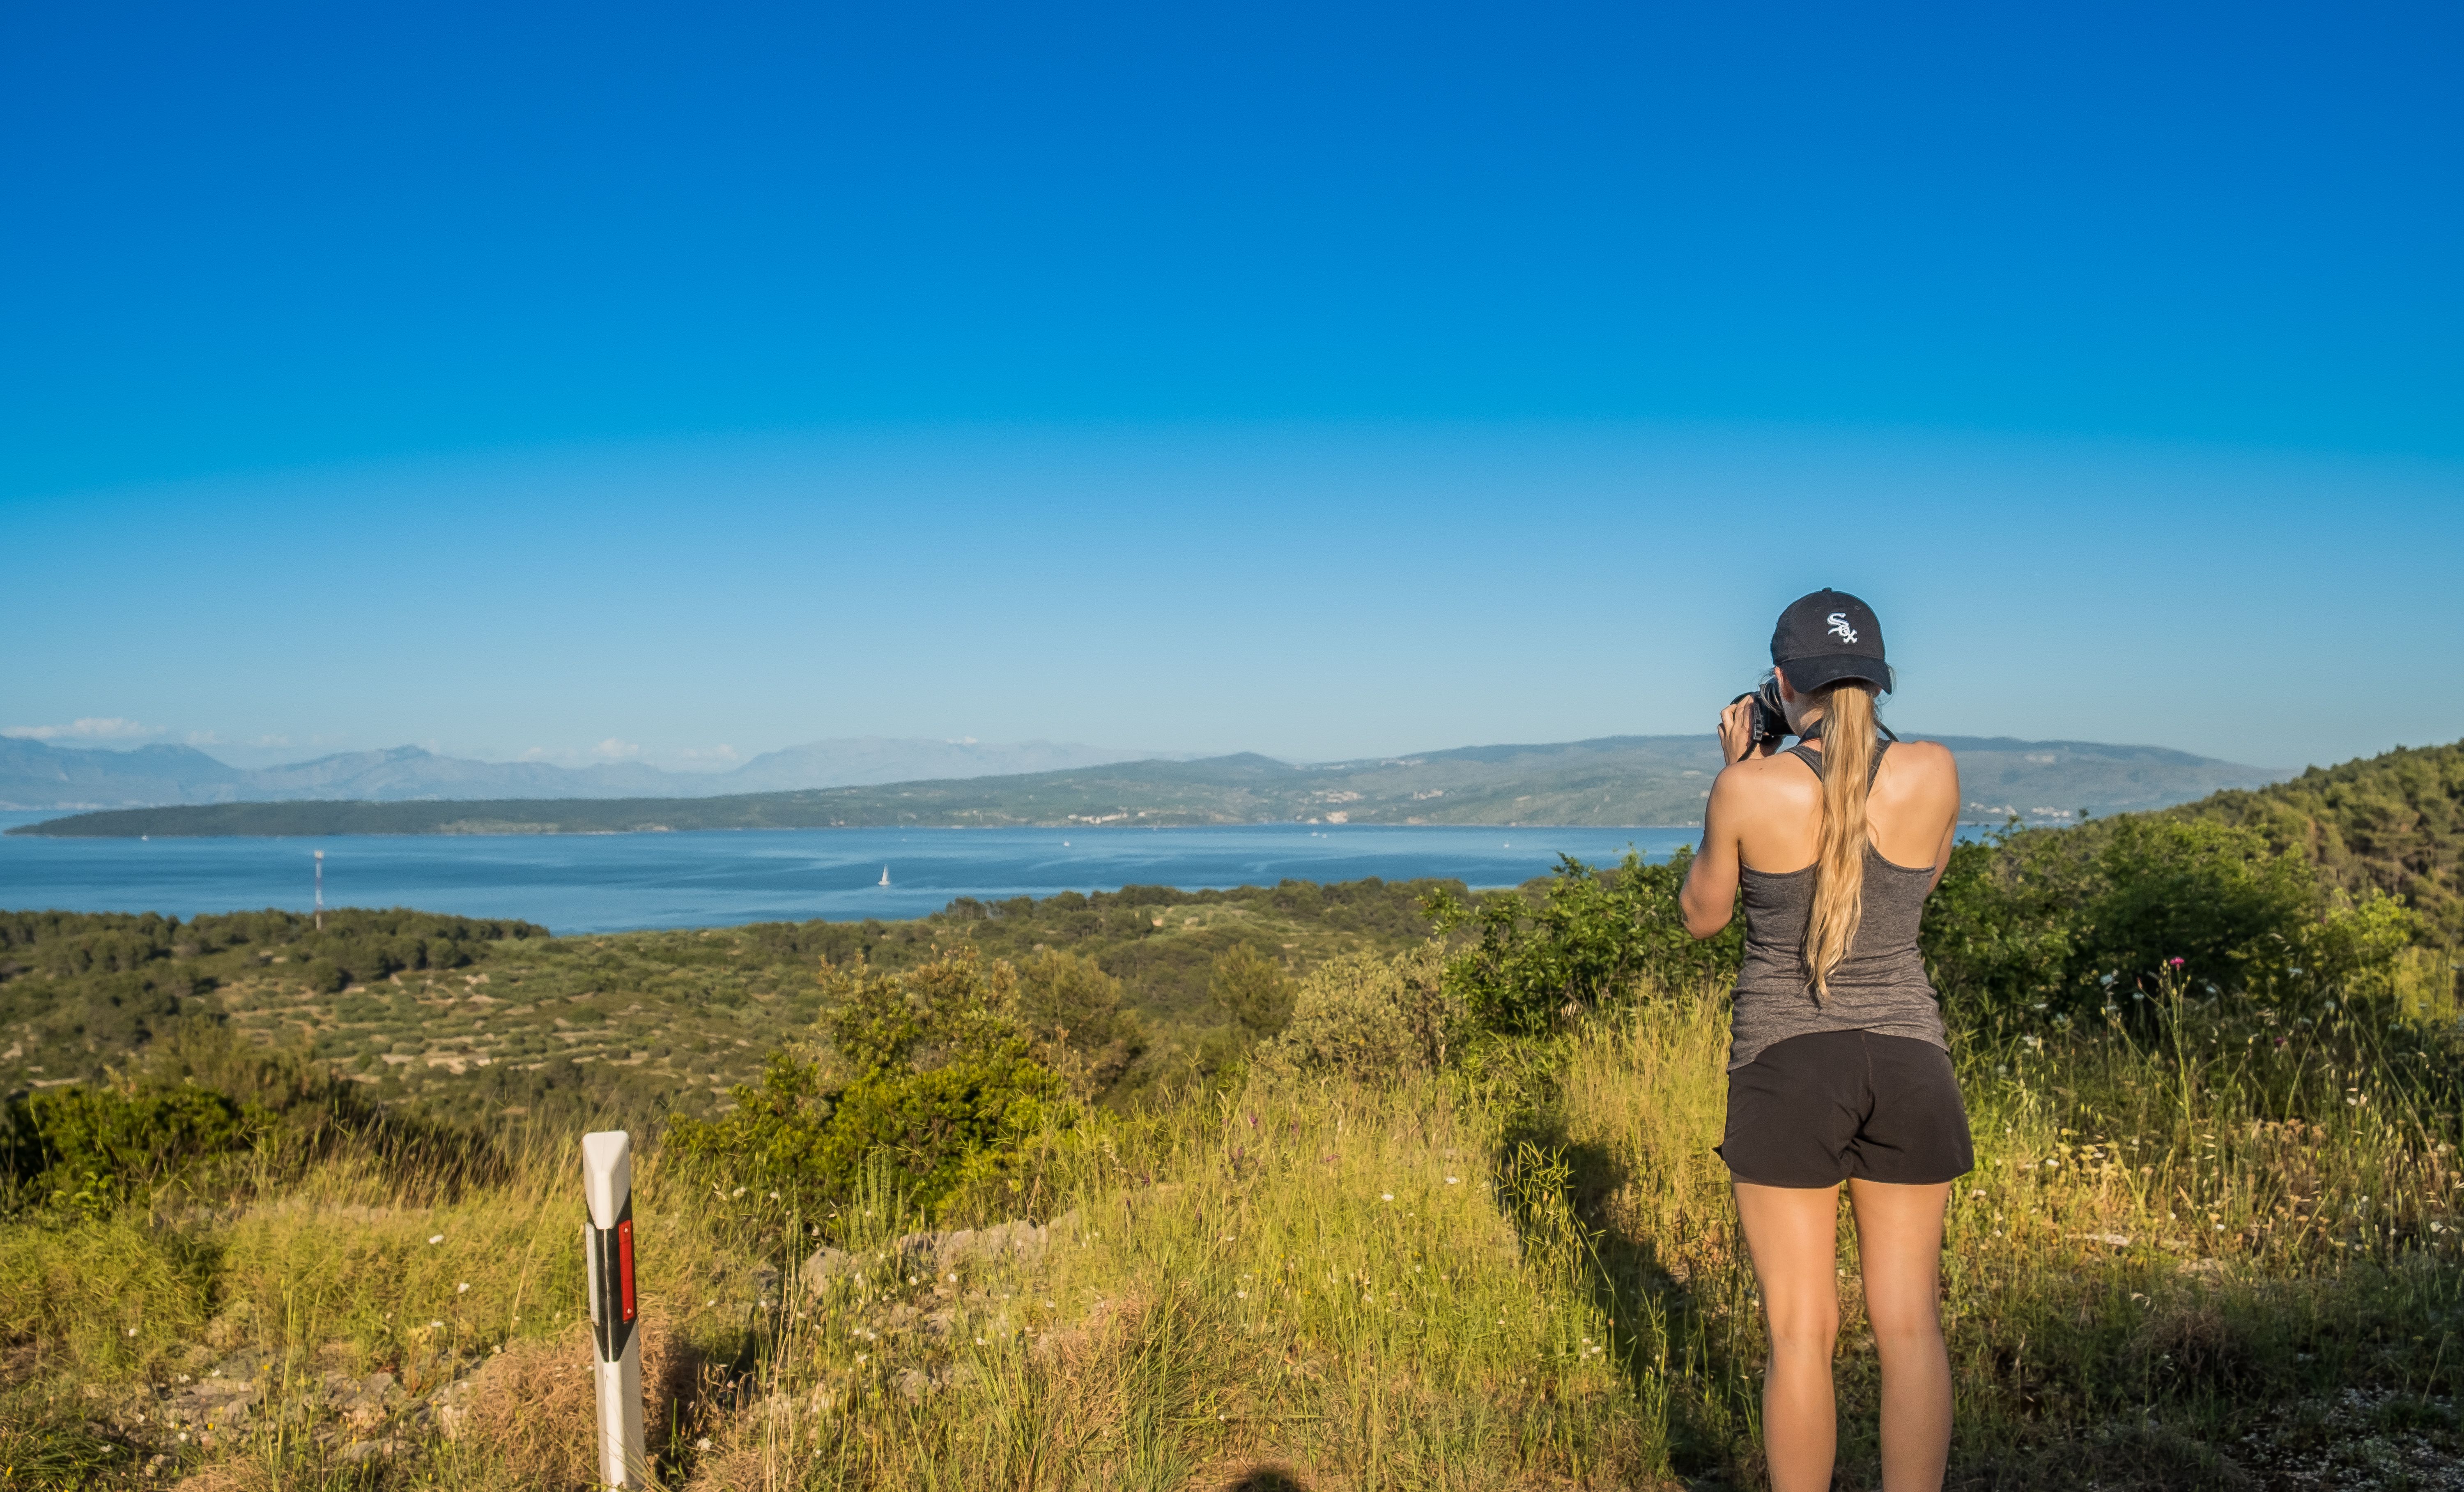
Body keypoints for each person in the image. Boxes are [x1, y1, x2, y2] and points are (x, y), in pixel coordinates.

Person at [1679, 588, 1971, 1492]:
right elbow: (1917, 886)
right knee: (1912, 1325)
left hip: (1786, 1065)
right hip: (1911, 1061)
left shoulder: (1747, 787)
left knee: (1802, 1332)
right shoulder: (1935, 770)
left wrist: (1737, 765)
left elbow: (1703, 916)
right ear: (1877, 683)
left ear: (1780, 682)